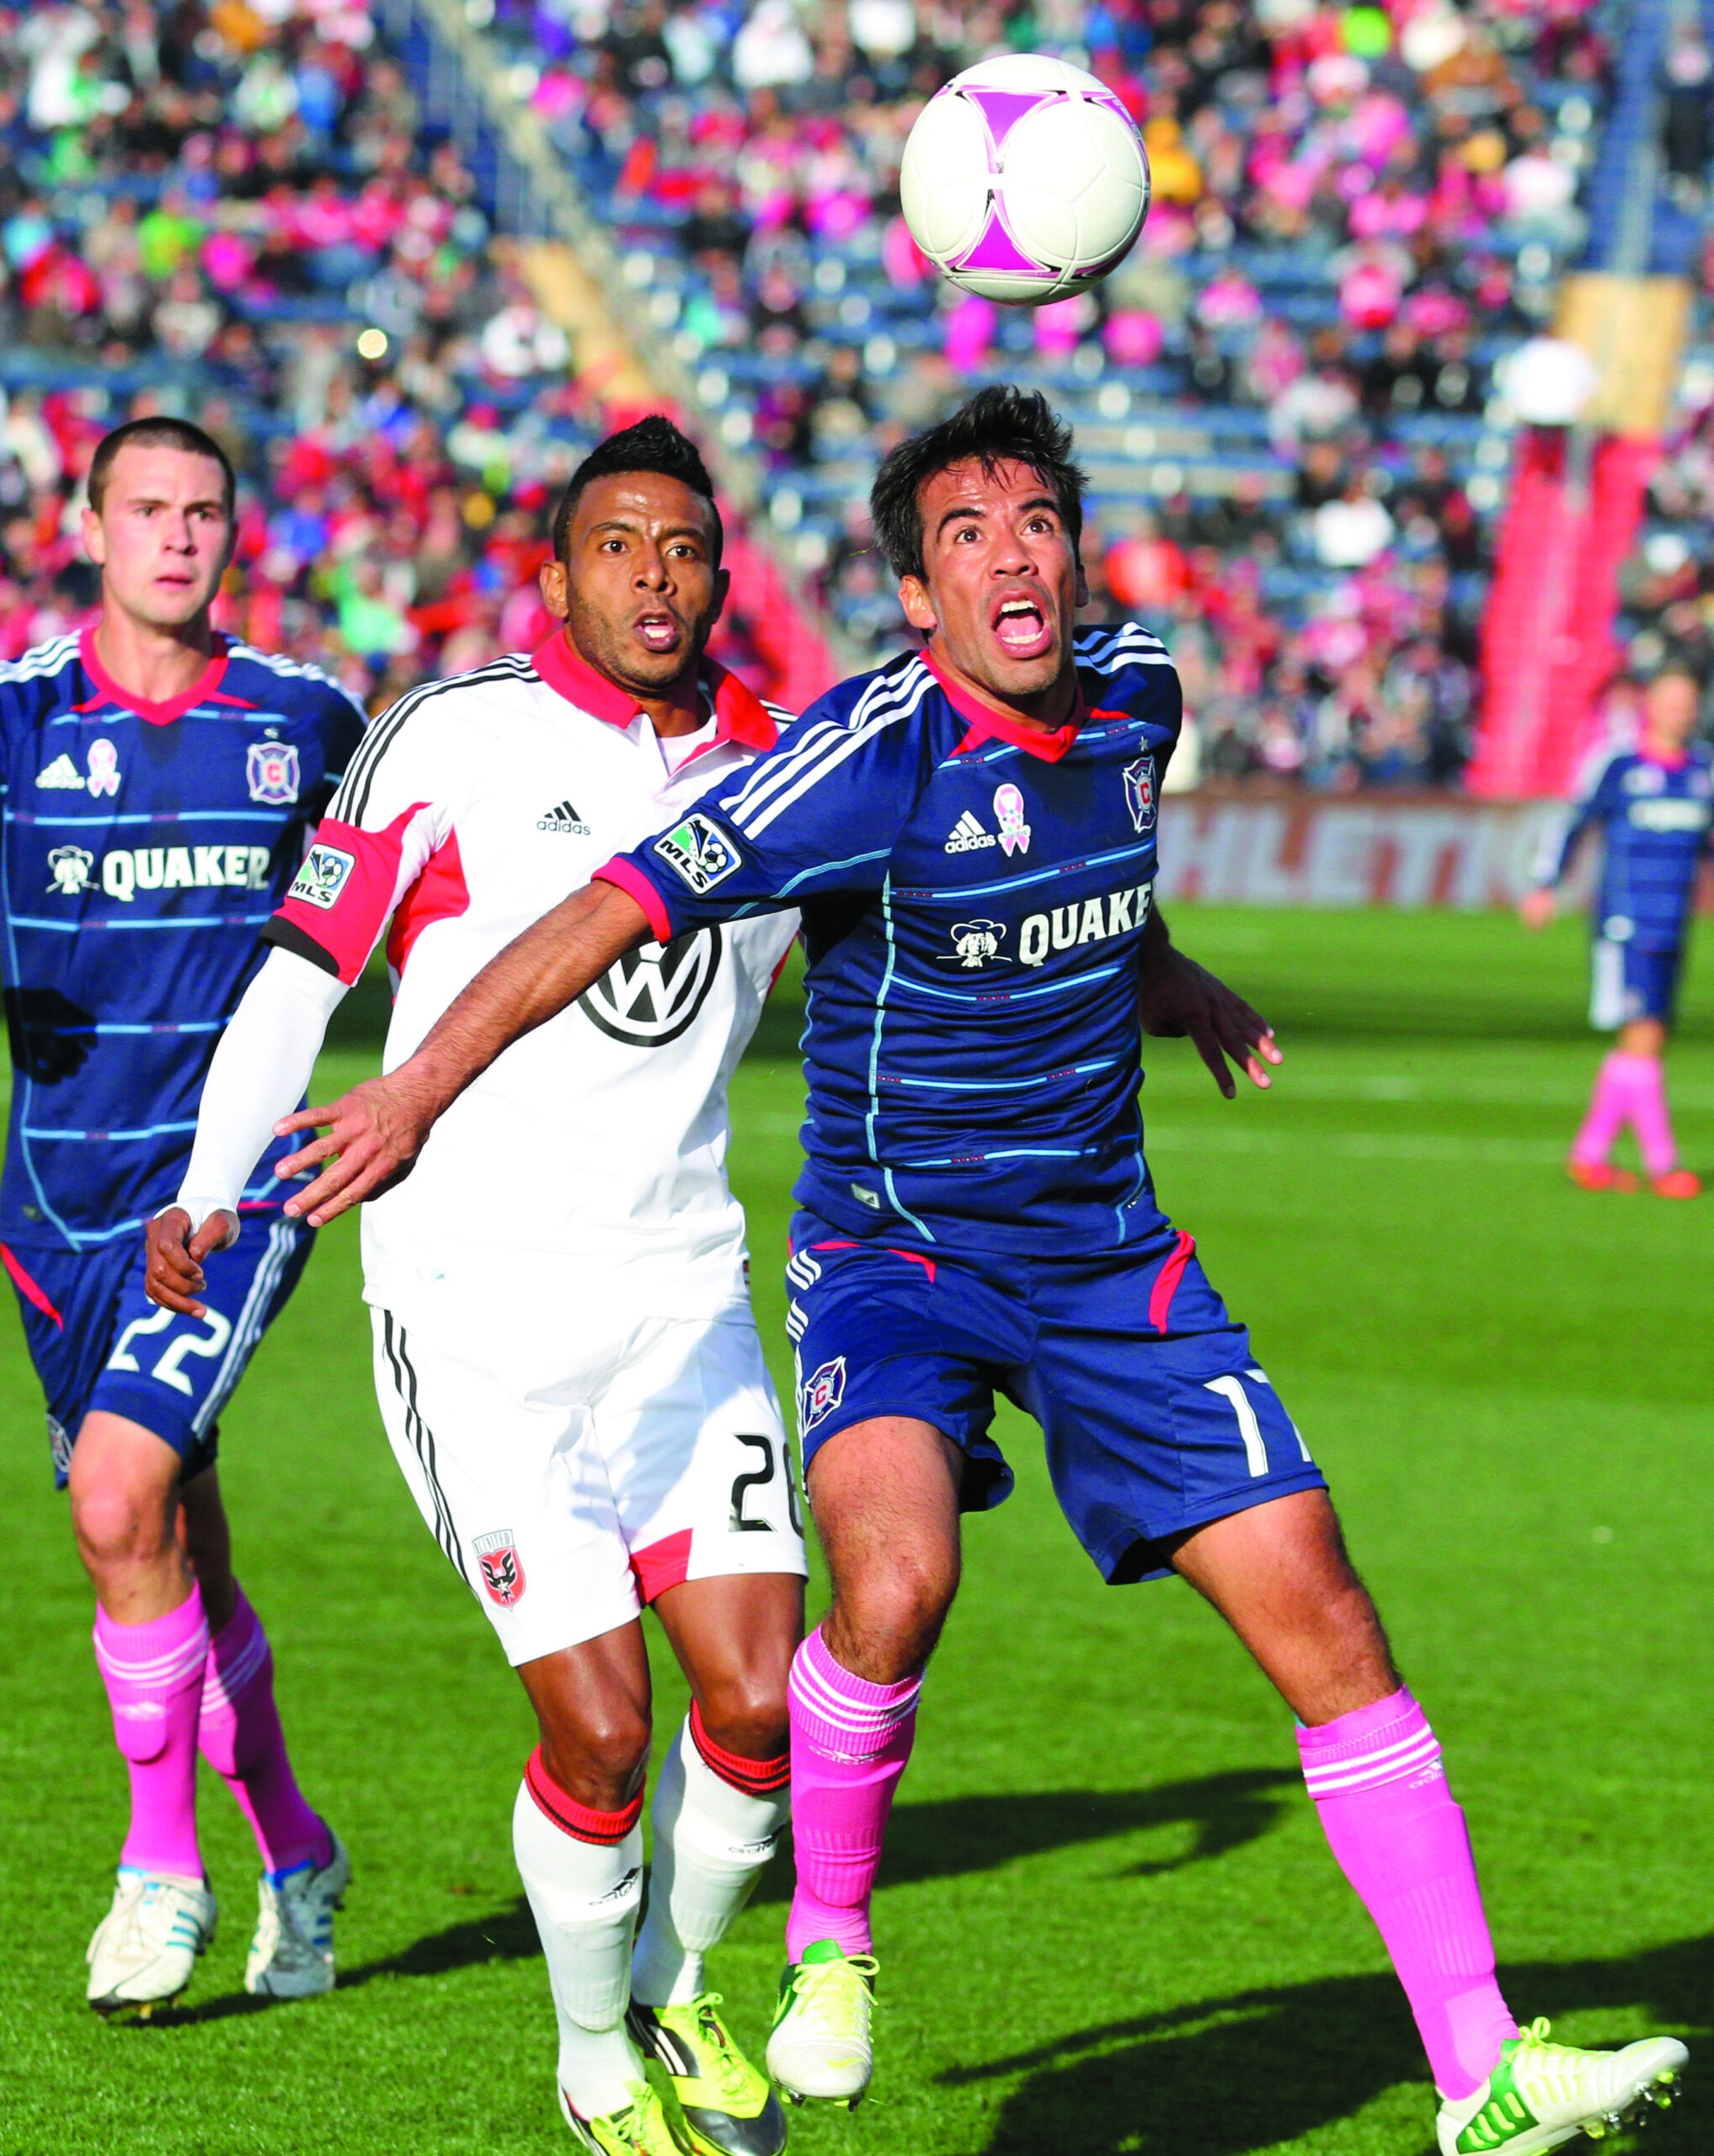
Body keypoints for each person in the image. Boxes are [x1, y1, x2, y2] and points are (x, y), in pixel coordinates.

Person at [260, 389, 1690, 2156]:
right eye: (964, 533)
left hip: (1103, 1248)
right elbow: (610, 910)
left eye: (1034, 522)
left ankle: (1479, 2068)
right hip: (894, 1253)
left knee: (1319, 1601)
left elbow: (1109, 867)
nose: (1010, 555)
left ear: (1073, 552)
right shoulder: (859, 754)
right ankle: (830, 1942)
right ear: (915, 593)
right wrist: (411, 1083)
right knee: (895, 1575)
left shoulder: (1141, 692)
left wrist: (1170, 977)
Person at [147, 419, 808, 2156]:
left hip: (683, 1295)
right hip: (472, 1310)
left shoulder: (778, 758)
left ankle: (673, 1989)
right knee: (599, 1729)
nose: (654, 578)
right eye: (619, 546)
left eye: (683, 547)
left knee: (755, 1698)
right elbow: (306, 970)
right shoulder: (444, 737)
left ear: (719, 572)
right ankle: (599, 2065)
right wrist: (213, 1183)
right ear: (560, 568)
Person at [0, 417, 366, 2017]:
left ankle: (159, 1870)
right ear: (90, 524)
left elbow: (427, 875)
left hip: (227, 1192)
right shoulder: (11, 715)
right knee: (170, 1541)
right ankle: (298, 1850)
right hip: (56, 1204)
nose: (179, 538)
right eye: (149, 510)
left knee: (119, 1501)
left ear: (232, 533)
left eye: (205, 511)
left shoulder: (305, 719)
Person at [1524, 655, 1711, 1198]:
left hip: (1674, 927)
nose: (1680, 712)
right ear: (1650, 706)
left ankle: (1589, 1156)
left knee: (1645, 1041)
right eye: (1671, 701)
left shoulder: (1702, 774)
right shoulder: (1619, 766)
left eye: (1688, 703)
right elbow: (1573, 822)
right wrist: (1546, 884)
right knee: (1643, 1039)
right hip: (1625, 926)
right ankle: (1663, 1164)